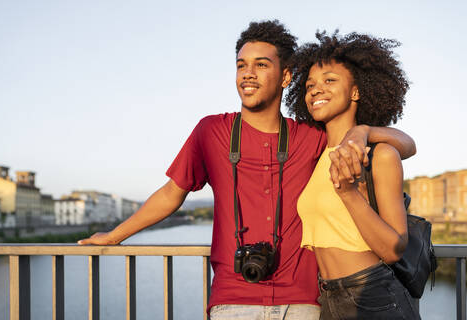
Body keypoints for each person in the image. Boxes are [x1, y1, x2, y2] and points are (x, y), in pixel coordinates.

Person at [78, 21, 416, 320]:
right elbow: (171, 193)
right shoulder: (210, 132)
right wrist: (114, 236)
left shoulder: (311, 136)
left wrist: (364, 131)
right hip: (233, 299)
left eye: (261, 64)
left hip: (305, 302)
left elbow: (404, 144)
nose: (248, 73)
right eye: (241, 65)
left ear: (286, 76)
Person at [287, 31, 420, 319]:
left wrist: (348, 193)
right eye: (310, 85)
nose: (315, 90)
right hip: (327, 298)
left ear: (356, 92)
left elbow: (394, 248)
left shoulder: (380, 155)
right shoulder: (318, 155)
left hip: (373, 296)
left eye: (329, 81)